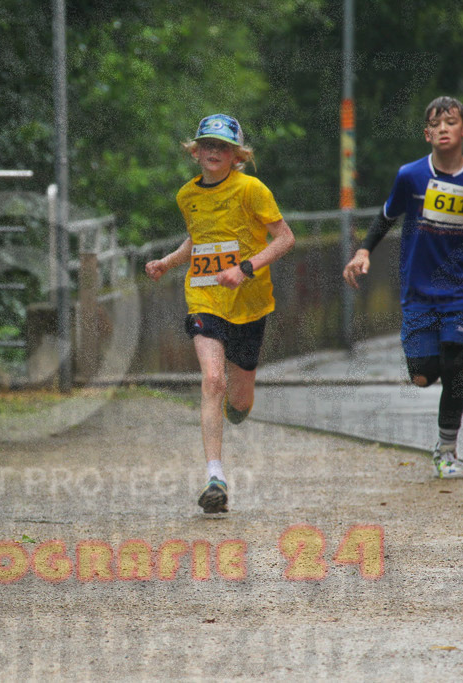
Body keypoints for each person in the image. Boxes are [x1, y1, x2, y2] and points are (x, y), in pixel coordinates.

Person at [343, 96, 463, 479]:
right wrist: (363, 251)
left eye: (451, 122)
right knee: (424, 374)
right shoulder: (410, 176)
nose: (444, 129)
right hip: (419, 291)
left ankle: (446, 451)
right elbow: (385, 217)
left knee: (455, 361)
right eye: (436, 124)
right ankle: (429, 369)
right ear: (427, 134)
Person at [145, 114, 295, 513]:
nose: (213, 152)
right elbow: (199, 238)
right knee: (212, 379)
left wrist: (245, 269)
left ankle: (237, 404)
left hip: (250, 303)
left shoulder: (251, 190)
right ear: (195, 151)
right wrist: (168, 261)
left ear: (236, 155)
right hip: (205, 297)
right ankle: (216, 477)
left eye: (223, 147)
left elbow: (285, 237)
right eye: (207, 145)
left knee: (240, 402)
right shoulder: (186, 195)